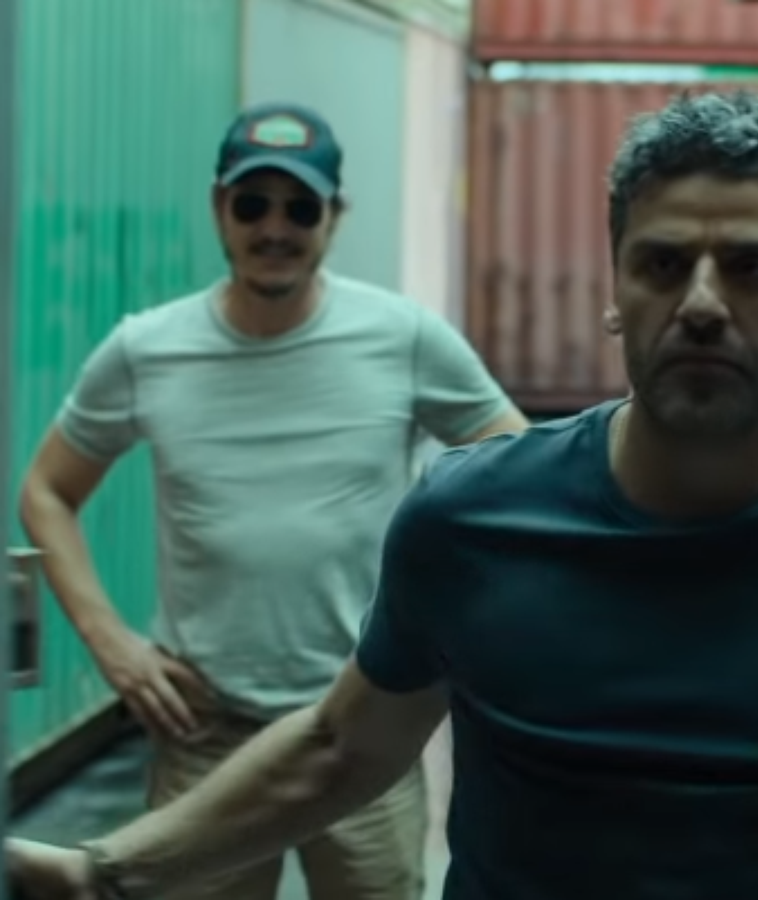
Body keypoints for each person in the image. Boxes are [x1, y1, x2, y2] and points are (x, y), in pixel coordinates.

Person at [8, 90, 758, 900]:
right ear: (616, 293)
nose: (703, 301)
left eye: (752, 266)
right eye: (664, 263)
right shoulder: (470, 524)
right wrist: (106, 872)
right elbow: (336, 751)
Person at [14, 101, 528, 900]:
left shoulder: (403, 338)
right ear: (219, 207)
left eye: (300, 208)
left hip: (363, 723)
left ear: (335, 216)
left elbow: (518, 473)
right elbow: (46, 491)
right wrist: (112, 646)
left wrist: (448, 621)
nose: (275, 228)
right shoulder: (147, 350)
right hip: (203, 729)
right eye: (253, 204)